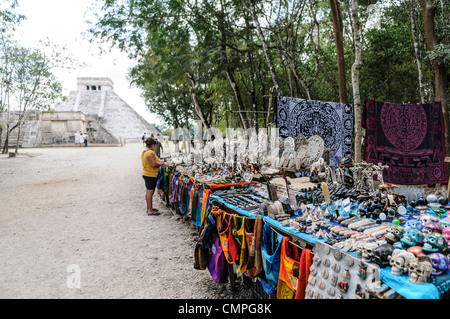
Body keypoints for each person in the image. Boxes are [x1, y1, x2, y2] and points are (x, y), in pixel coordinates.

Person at [142, 137, 164, 215]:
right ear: (153, 145)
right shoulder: (150, 153)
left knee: (148, 191)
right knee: (150, 192)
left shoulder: (145, 151)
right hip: (150, 174)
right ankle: (150, 210)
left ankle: (149, 208)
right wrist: (161, 163)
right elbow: (153, 164)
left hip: (146, 173)